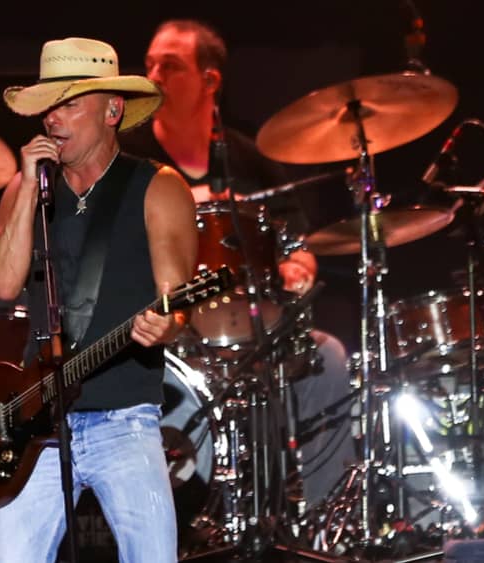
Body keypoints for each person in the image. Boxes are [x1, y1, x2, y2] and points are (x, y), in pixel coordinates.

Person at [119, 18, 356, 511]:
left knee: (329, 357)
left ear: (210, 80)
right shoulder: (130, 156)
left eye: (171, 66)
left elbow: (300, 246)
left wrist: (298, 268)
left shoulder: (250, 160)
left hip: (255, 333)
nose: (154, 76)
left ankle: (323, 517)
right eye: (150, 64)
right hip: (163, 333)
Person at [0, 37, 198, 563]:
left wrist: (167, 325)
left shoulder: (158, 187)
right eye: (48, 107)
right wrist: (25, 191)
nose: (53, 119)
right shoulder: (25, 189)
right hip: (37, 420)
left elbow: (177, 303)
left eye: (70, 104)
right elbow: (4, 285)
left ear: (112, 110)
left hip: (125, 418)